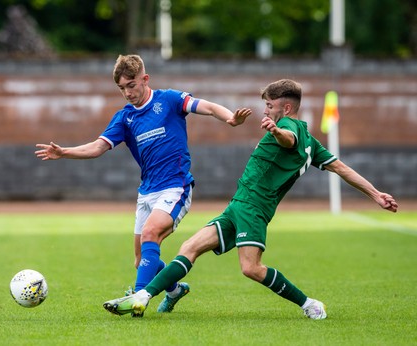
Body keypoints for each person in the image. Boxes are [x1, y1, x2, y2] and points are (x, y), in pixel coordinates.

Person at [103, 78, 399, 319]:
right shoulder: (313, 143)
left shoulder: (291, 128)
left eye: (269, 106)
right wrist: (375, 193)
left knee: (251, 268)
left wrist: (276, 130)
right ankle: (144, 296)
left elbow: (288, 138)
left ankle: (308, 303)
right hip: (238, 206)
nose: (266, 112)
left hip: (254, 209)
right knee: (190, 247)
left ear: (285, 106)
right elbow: (341, 168)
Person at [35, 54, 251, 315]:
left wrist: (230, 118)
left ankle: (138, 298)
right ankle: (174, 289)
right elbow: (97, 147)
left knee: (151, 234)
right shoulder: (124, 118)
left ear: (145, 79)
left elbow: (207, 106)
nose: (127, 93)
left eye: (131, 85)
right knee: (141, 259)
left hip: (176, 186)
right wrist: (64, 152)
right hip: (147, 191)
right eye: (122, 88)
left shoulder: (169, 100)